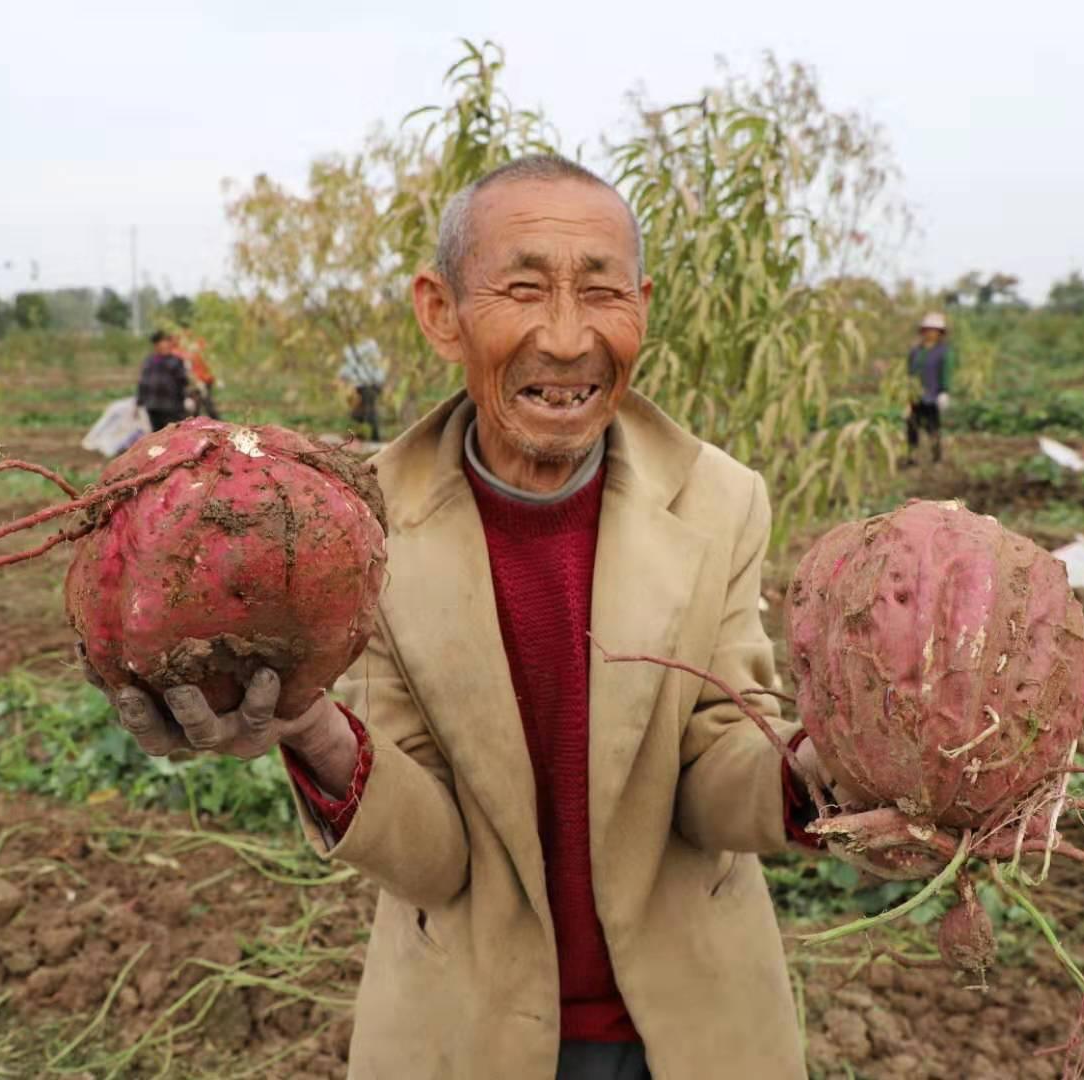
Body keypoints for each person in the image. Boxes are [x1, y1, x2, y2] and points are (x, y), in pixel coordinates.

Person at [82, 155, 865, 1080]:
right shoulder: (352, 529)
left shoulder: (719, 500)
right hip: (470, 1032)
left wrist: (820, 763)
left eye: (602, 292)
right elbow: (438, 858)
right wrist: (314, 727)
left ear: (642, 307)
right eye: (523, 290)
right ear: (440, 311)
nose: (568, 339)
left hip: (694, 1028)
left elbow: (710, 770)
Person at [905, 312, 954, 465]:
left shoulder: (944, 352)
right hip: (915, 395)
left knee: (933, 427)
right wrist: (906, 393)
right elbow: (909, 372)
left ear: (940, 333)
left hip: (933, 395)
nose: (930, 333)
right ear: (923, 331)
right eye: (928, 329)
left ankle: (936, 458)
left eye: (934, 330)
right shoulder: (915, 351)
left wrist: (944, 391)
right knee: (912, 426)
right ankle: (912, 457)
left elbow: (946, 372)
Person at [136, 330, 192, 431]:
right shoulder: (149, 361)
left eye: (167, 343)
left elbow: (184, 382)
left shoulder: (176, 361)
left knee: (175, 434)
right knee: (158, 435)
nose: (165, 346)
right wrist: (139, 402)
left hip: (172, 407)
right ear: (156, 345)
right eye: (162, 343)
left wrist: (188, 397)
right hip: (153, 406)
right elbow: (143, 382)